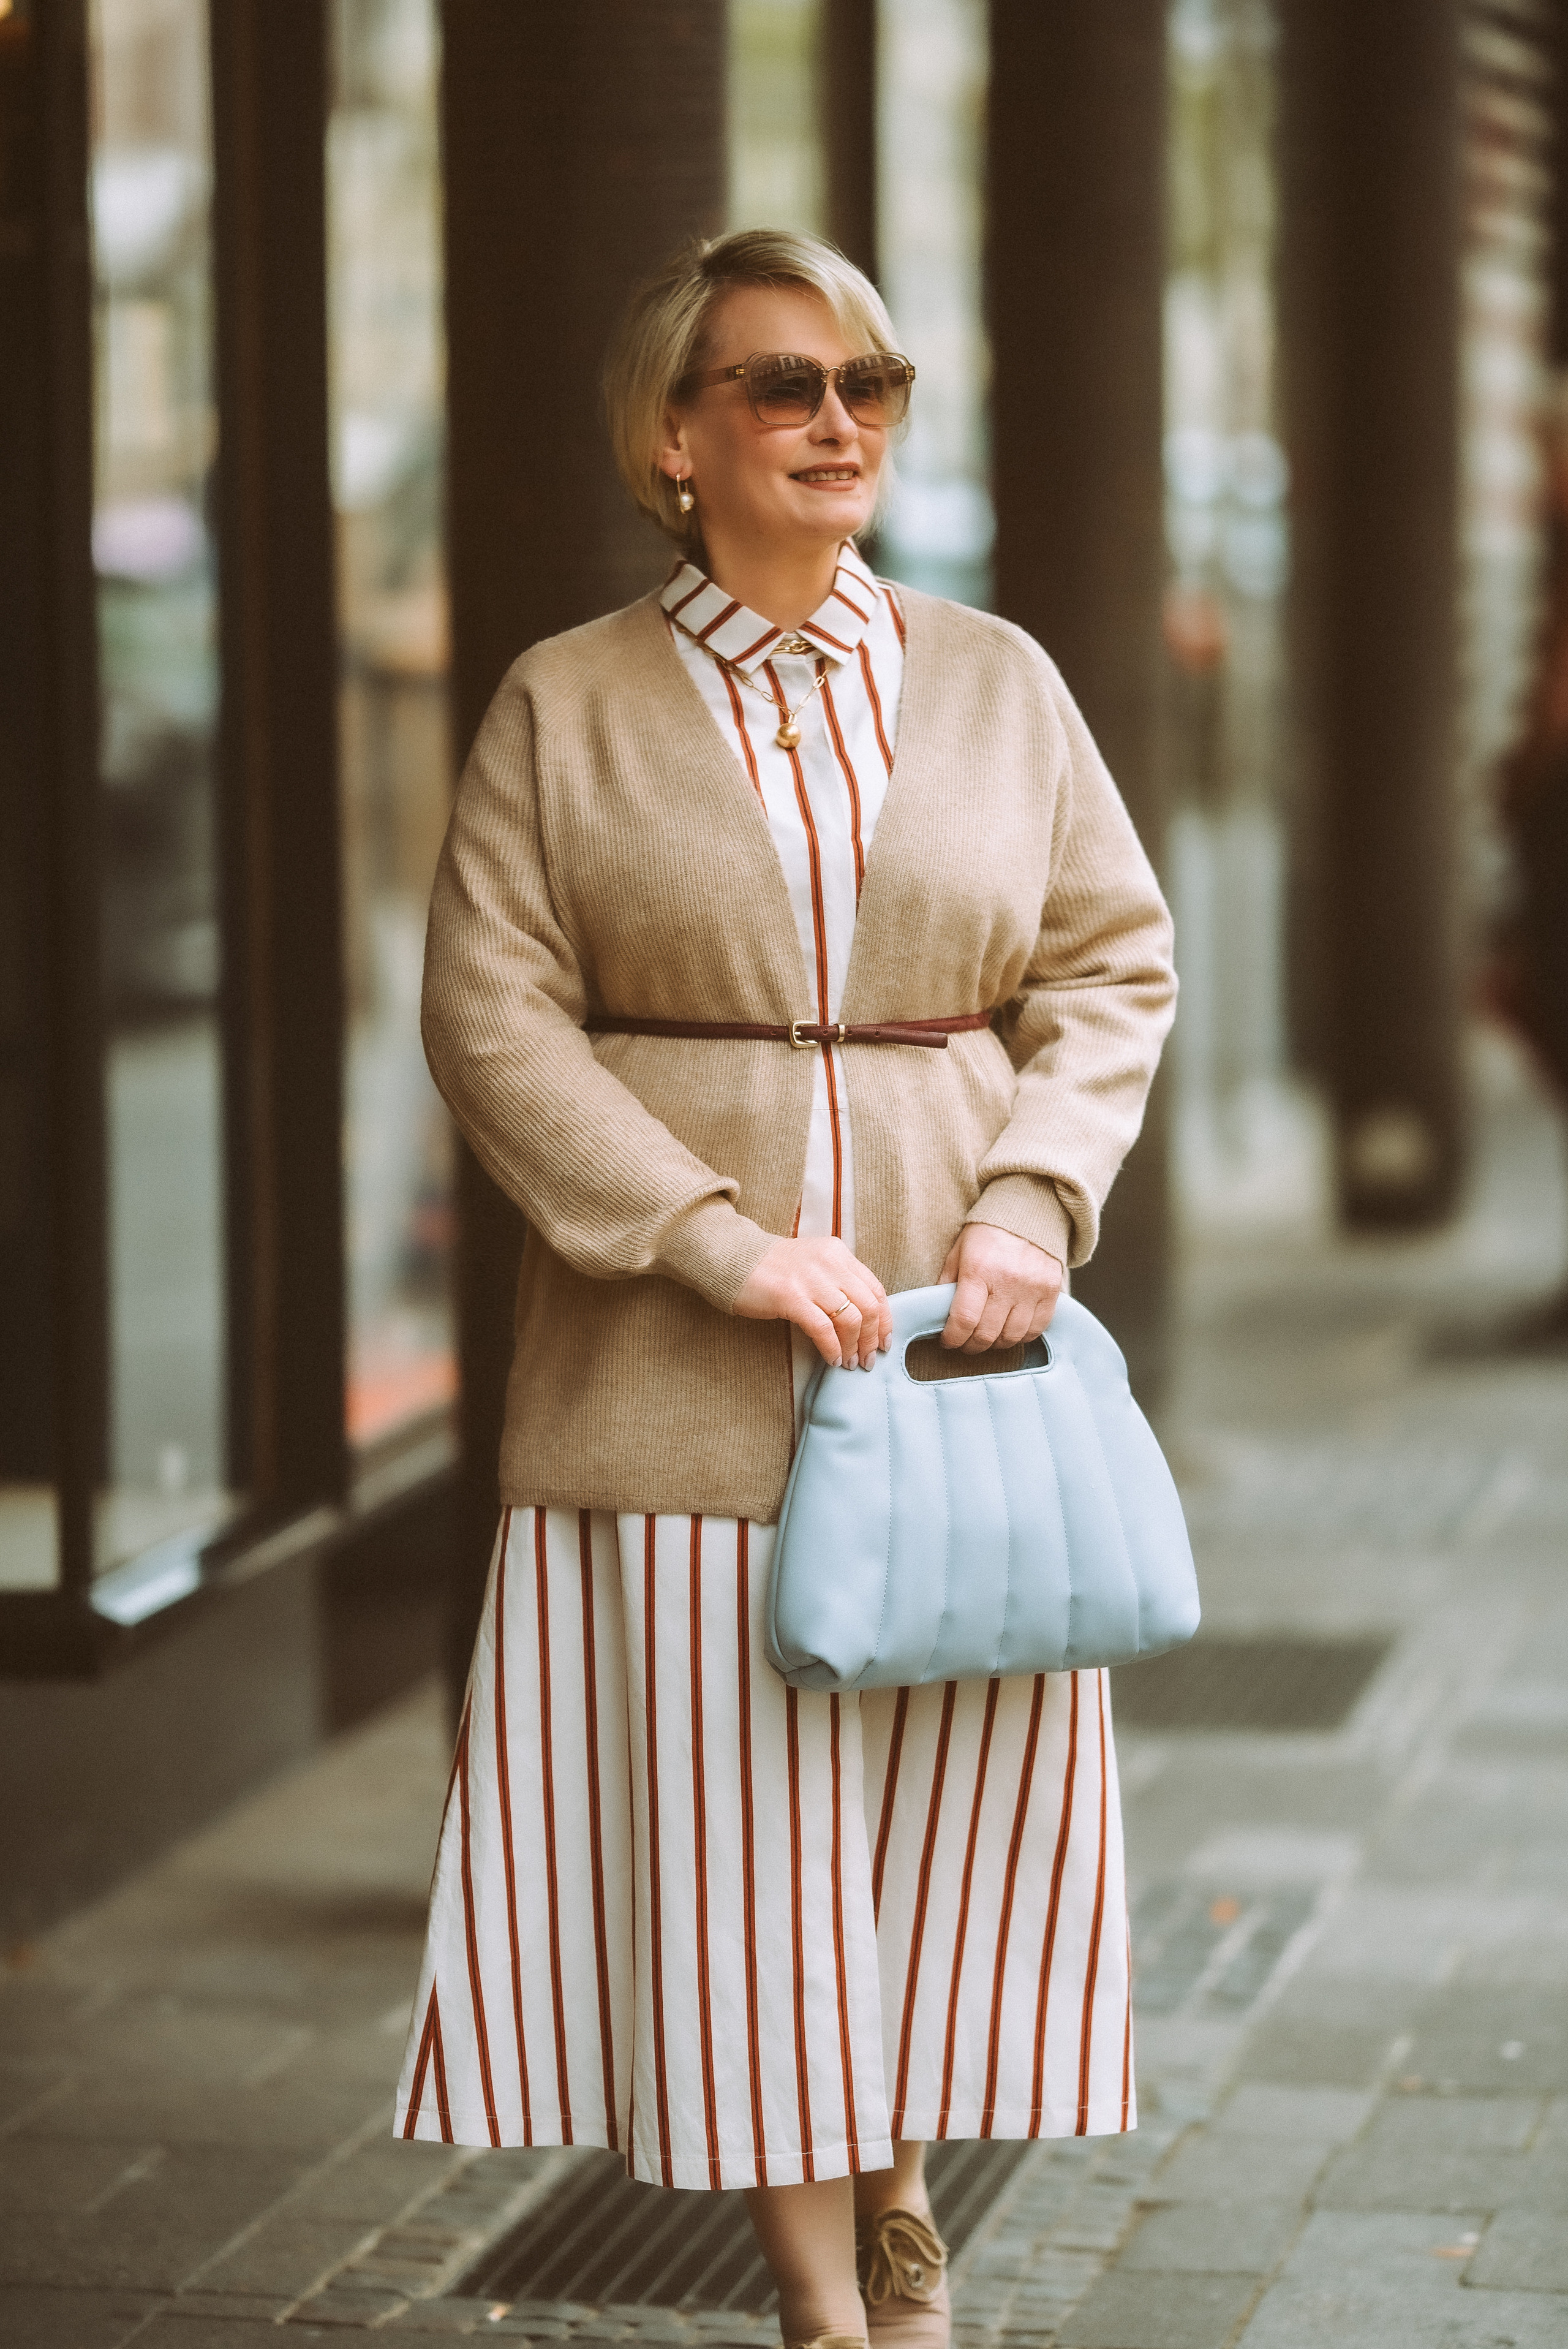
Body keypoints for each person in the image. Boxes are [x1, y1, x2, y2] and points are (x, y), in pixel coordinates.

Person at [395, 229, 1177, 2349]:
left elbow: (1114, 961)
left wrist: (1032, 1201)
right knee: (742, 1859)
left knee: (932, 1823)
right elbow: (490, 1015)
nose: (842, 422)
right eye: (786, 385)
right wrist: (709, 1234)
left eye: (872, 384)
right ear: (678, 433)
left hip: (957, 1356)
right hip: (673, 1374)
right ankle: (836, 2302)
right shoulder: (564, 702)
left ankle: (905, 2208)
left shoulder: (999, 680)